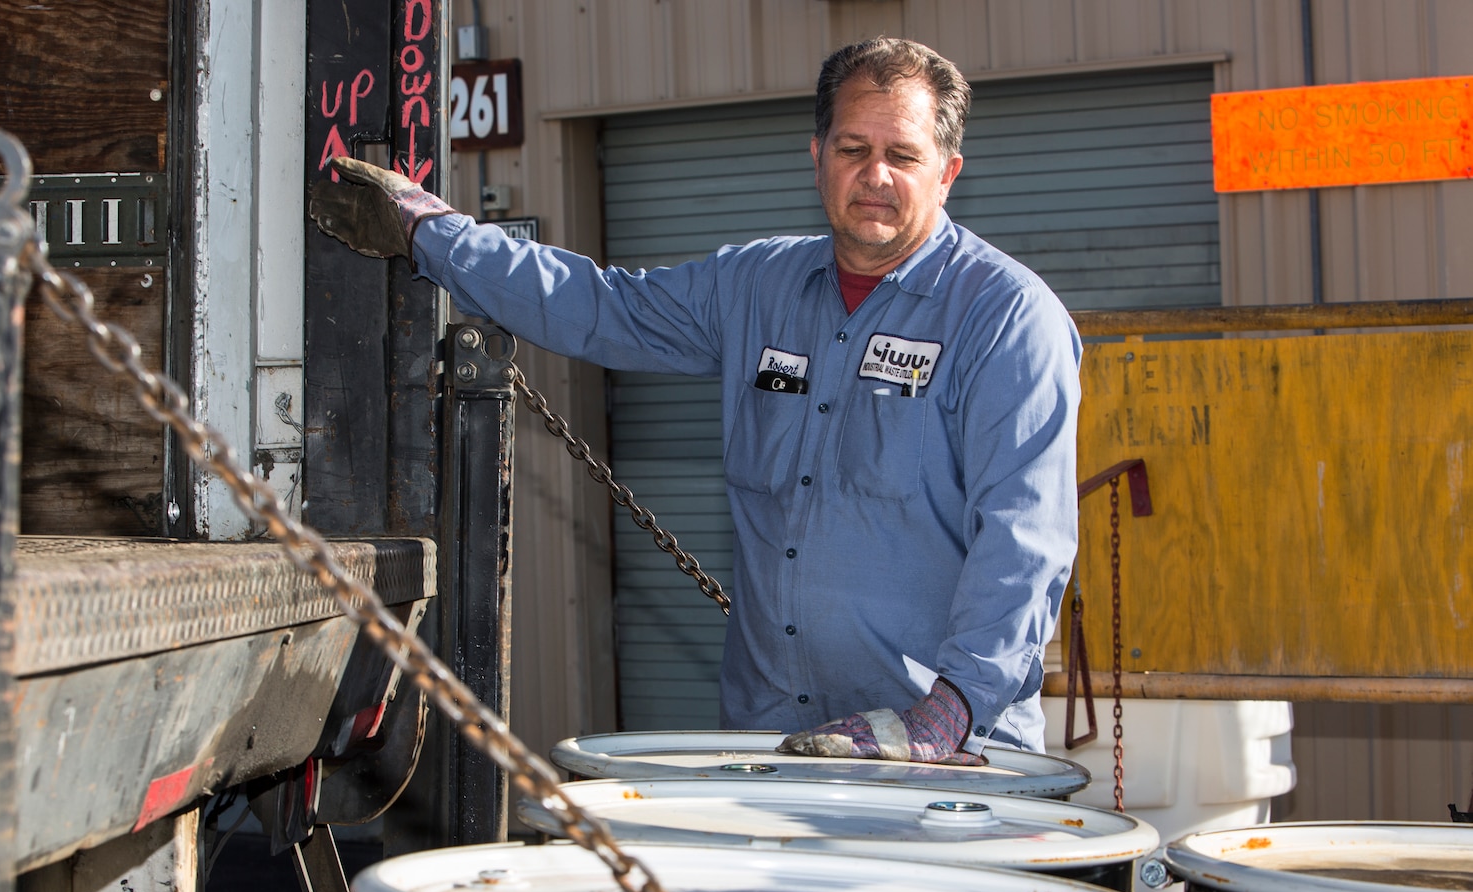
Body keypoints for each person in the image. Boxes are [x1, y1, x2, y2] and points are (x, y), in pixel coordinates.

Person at [309, 37, 1080, 763]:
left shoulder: (1006, 319)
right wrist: (431, 234)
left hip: (942, 762)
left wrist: (945, 716)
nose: (875, 175)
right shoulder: (755, 288)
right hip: (775, 743)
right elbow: (599, 306)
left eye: (903, 156)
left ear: (947, 172)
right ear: (817, 159)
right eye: (853, 150)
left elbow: (1025, 543)